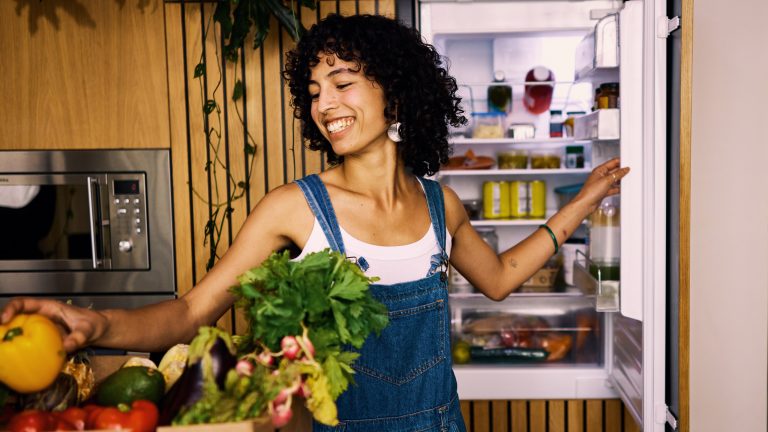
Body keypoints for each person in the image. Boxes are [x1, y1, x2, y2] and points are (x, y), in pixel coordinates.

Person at [0, 13, 628, 432]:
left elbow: (499, 278)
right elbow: (192, 313)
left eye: (343, 83)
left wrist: (582, 201)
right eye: (314, 91)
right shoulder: (294, 208)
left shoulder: (442, 206)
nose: (324, 103)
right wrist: (100, 324)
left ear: (395, 93)